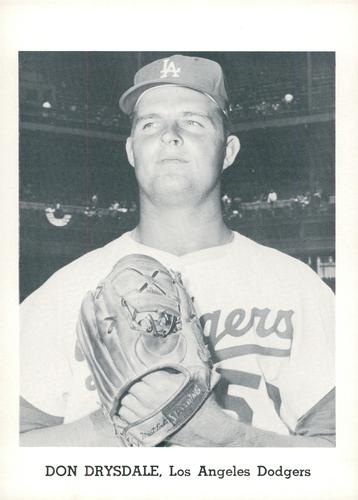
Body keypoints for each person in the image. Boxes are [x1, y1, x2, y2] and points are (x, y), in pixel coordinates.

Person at [20, 55, 335, 447]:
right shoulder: (64, 291)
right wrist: (114, 424)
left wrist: (216, 434)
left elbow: (343, 459)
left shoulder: (296, 286)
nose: (170, 135)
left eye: (193, 121)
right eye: (150, 124)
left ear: (229, 150)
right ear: (132, 151)